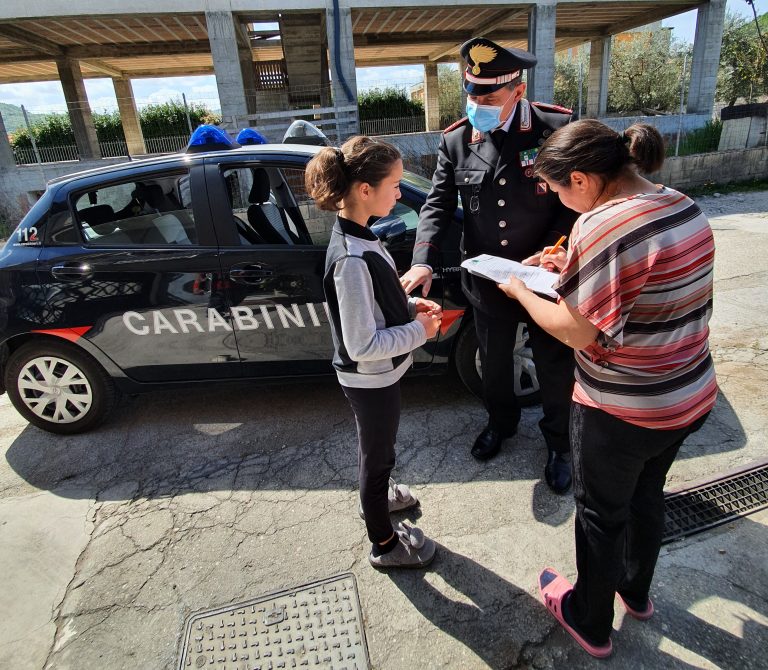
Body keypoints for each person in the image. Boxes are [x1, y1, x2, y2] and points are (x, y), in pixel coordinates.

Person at [496, 120, 718, 657]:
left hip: (621, 409)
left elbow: (577, 330)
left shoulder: (604, 224)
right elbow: (644, 281)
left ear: (583, 179)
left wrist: (521, 291)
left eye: (559, 191)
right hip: (688, 394)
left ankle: (589, 618)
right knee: (647, 495)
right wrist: (565, 263)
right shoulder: (680, 203)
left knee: (600, 513)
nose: (562, 203)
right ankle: (635, 591)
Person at [400, 37, 578, 494]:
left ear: (517, 91)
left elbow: (574, 201)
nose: (476, 104)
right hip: (489, 280)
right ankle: (502, 424)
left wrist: (556, 251)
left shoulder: (555, 129)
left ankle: (560, 444)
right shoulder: (457, 139)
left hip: (543, 277)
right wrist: (423, 261)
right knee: (494, 364)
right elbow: (436, 204)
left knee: (554, 365)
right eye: (471, 94)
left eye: (487, 96)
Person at [305, 136, 443, 569]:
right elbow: (362, 344)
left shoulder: (361, 236)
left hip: (378, 377)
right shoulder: (349, 259)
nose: (400, 193)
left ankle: (380, 499)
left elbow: (376, 308)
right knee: (377, 458)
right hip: (370, 378)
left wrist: (407, 309)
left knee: (378, 450)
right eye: (396, 184)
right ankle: (383, 543)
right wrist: (418, 331)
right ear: (365, 189)